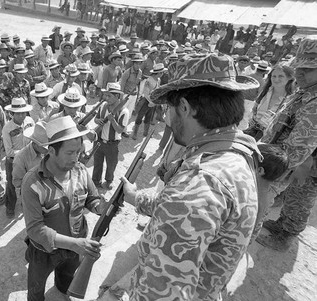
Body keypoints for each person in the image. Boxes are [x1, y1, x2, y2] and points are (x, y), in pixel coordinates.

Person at [121, 53, 261, 300]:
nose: (166, 117)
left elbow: (160, 294)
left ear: (184, 107)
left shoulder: (197, 183)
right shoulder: (234, 153)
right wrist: (135, 198)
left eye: (168, 109)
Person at [22, 116, 103, 301]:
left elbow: (92, 199)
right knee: (36, 289)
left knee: (66, 280)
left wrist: (101, 207)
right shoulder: (32, 182)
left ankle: (62, 289)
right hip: (43, 252)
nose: (77, 158)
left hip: (76, 245)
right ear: (51, 151)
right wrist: (74, 244)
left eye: (79, 152)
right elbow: (35, 230)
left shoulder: (81, 170)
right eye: (70, 153)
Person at [256, 38, 317, 252]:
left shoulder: (315, 103)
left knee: (293, 200)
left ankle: (285, 236)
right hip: (280, 158)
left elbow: (298, 149)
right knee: (286, 198)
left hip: (290, 165)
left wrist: (273, 171)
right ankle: (281, 224)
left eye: (308, 69)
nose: (299, 72)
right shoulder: (305, 92)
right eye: (298, 67)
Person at [92, 82, 129, 190]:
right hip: (99, 141)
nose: (106, 98)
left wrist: (112, 120)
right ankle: (95, 181)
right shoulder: (103, 105)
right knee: (97, 163)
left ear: (117, 96)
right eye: (105, 95)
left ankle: (109, 181)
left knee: (111, 165)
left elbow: (120, 130)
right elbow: (96, 119)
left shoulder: (124, 111)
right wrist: (97, 120)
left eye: (109, 96)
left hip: (112, 145)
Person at [2, 97, 35, 217]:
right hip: (14, 161)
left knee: (29, 182)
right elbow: (9, 151)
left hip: (31, 158)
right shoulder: (7, 128)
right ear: (12, 113)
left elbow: (34, 137)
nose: (22, 116)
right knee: (11, 184)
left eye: (24, 113)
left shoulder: (30, 121)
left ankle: (26, 204)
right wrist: (25, 152)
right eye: (18, 114)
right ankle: (10, 206)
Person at [245, 64, 295, 140]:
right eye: (273, 76)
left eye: (280, 76)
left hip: (269, 138)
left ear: (289, 78)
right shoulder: (265, 92)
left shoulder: (291, 99)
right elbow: (254, 108)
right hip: (251, 131)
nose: (276, 79)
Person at [12, 122, 48, 207]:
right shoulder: (21, 158)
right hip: (32, 196)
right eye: (44, 147)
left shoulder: (48, 151)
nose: (48, 150)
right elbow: (17, 182)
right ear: (35, 144)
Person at [132, 65, 164, 140]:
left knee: (149, 117)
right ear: (157, 73)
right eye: (161, 72)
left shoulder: (158, 80)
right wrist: (150, 101)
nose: (162, 74)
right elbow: (145, 93)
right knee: (140, 117)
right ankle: (135, 133)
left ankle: (146, 132)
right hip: (146, 101)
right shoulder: (148, 80)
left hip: (153, 101)